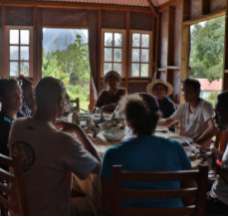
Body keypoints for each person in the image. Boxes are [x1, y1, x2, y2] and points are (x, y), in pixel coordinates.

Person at [8, 77, 100, 215]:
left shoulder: (16, 125)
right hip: (49, 211)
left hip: (18, 210)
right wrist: (78, 130)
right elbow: (97, 167)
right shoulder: (63, 141)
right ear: (60, 103)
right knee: (93, 205)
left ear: (36, 99)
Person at [101, 94, 191, 210]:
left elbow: (107, 201)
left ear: (127, 121)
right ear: (157, 118)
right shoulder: (175, 148)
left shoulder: (112, 154)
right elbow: (189, 191)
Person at [159, 78, 214, 146]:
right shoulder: (183, 106)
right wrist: (149, 122)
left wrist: (196, 142)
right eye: (184, 91)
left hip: (199, 146)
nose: (184, 94)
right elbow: (168, 122)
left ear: (197, 92)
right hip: (186, 143)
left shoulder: (205, 106)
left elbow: (212, 128)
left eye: (188, 91)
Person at [207, 91, 228, 215]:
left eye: (218, 113)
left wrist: (214, 164)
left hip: (221, 204)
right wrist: (217, 156)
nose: (215, 117)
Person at [0, 79, 22, 156]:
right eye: (14, 95)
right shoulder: (3, 124)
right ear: (2, 98)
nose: (19, 98)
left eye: (20, 93)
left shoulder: (21, 115)